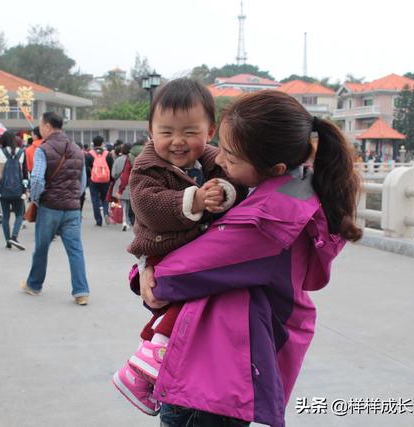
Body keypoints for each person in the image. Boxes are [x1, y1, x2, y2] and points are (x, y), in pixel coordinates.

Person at [132, 90, 362, 426]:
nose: (220, 161)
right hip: (227, 363)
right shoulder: (294, 189)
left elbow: (174, 277)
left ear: (274, 167)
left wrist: (146, 270)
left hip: (215, 377)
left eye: (231, 156)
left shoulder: (269, 220)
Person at [112, 78, 240, 416]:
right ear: (151, 130)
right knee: (180, 303)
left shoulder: (214, 161)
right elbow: (146, 204)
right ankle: (146, 361)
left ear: (210, 130)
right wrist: (196, 198)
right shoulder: (147, 165)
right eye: (167, 132)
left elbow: (235, 183)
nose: (178, 141)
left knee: (185, 307)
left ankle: (146, 364)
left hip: (190, 250)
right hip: (161, 245)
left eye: (189, 131)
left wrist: (223, 193)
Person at [20, 112, 91, 306]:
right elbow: (82, 180)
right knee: (75, 250)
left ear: (47, 126)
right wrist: (74, 197)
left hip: (50, 206)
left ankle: (34, 285)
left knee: (42, 248)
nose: (40, 128)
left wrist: (35, 199)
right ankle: (81, 291)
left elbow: (36, 179)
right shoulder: (77, 149)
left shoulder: (44, 149)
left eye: (41, 125)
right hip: (72, 207)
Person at [0, 131, 27, 250]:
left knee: (5, 216)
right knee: (19, 214)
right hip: (18, 189)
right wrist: (25, 189)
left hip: (2, 188)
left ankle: (8, 241)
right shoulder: (22, 152)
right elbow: (24, 173)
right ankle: (14, 236)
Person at [85, 135, 114, 226]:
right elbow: (111, 167)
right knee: (105, 198)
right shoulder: (107, 154)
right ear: (102, 143)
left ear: (93, 143)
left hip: (93, 180)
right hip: (105, 180)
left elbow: (86, 168)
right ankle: (106, 213)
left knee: (95, 200)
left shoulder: (89, 154)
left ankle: (98, 220)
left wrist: (89, 178)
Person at [110, 143, 134, 231]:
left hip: (120, 184)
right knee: (128, 205)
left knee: (122, 204)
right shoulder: (132, 159)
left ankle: (124, 220)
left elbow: (113, 174)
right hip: (130, 183)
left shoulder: (118, 160)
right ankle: (126, 220)